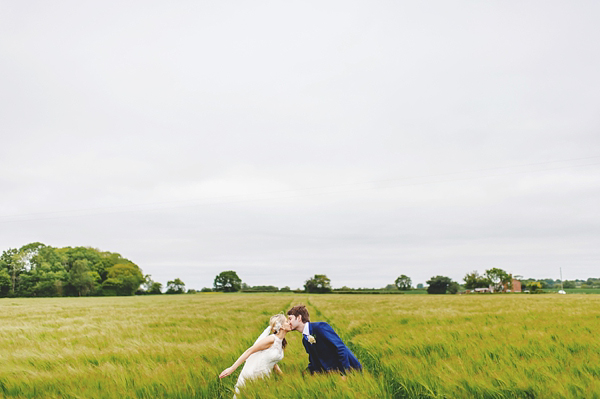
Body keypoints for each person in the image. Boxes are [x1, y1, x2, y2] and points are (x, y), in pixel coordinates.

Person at [219, 314, 291, 398]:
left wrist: (283, 377)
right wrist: (232, 368)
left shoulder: (281, 342)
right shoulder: (271, 339)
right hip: (254, 374)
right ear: (281, 326)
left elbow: (272, 361)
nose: (289, 323)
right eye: (286, 321)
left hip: (264, 378)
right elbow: (249, 351)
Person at [287, 304, 362, 375]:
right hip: (332, 375)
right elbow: (315, 361)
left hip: (350, 371)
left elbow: (340, 348)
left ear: (299, 318)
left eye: (290, 319)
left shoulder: (320, 327)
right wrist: (304, 374)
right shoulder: (305, 340)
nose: (288, 322)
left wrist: (344, 374)